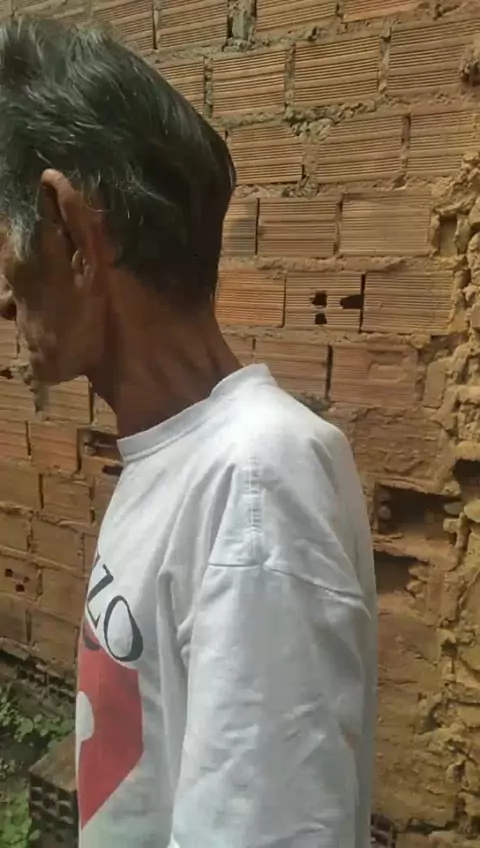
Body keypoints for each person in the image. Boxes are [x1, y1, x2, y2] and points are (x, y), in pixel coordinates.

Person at [0, 16, 377, 848]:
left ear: (71, 232)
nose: (3, 295)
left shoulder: (256, 485)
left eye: (4, 244)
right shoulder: (189, 462)